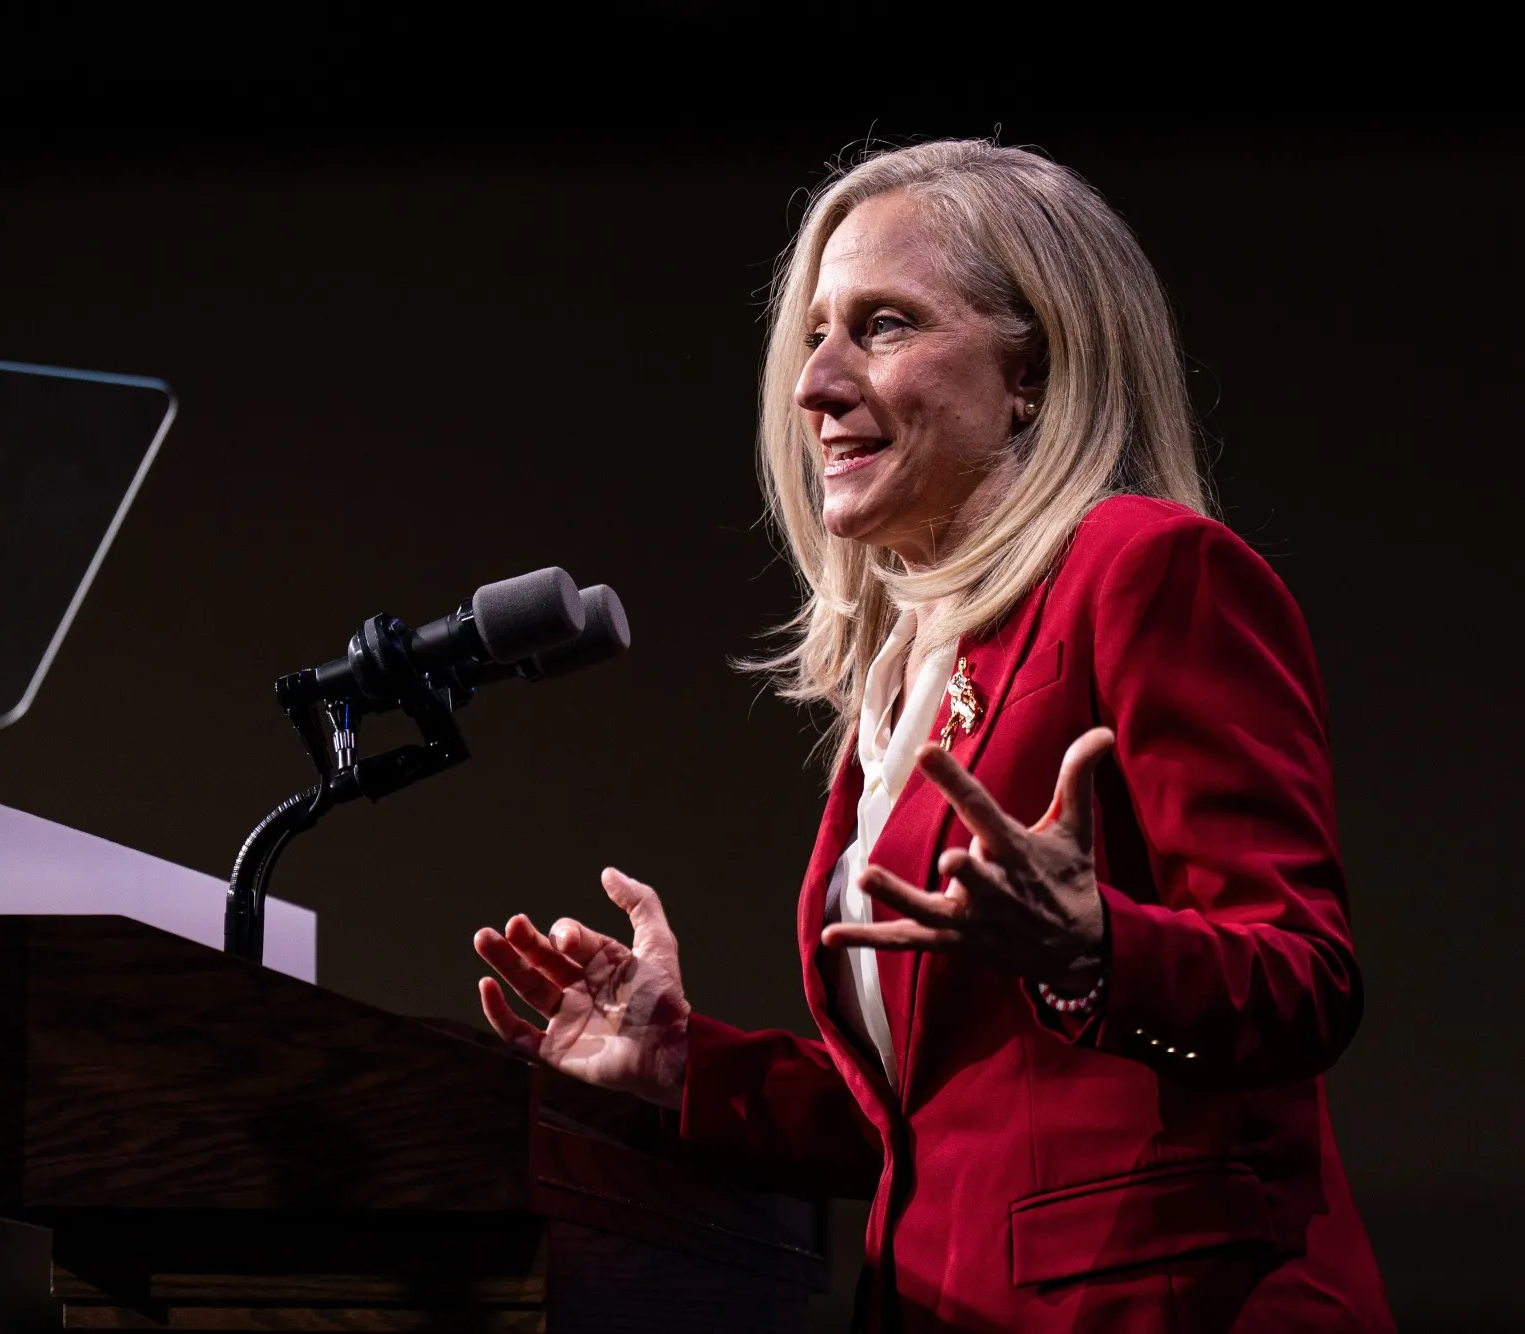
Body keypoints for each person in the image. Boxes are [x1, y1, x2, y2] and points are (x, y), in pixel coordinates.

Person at [471, 139, 1394, 1332]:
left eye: (884, 325)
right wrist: (680, 1064)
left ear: (1032, 371)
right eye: (814, 333)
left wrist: (1096, 945)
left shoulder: (1148, 570)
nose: (815, 383)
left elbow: (1304, 980)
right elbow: (935, 1118)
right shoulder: (901, 675)